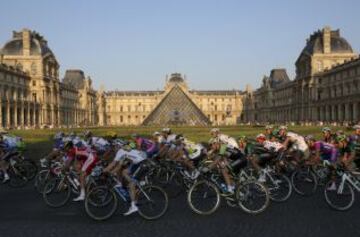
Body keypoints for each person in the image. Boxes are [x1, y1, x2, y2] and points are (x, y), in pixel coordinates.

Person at [104, 142, 147, 215]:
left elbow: (113, 164)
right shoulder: (123, 150)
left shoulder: (120, 151)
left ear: (118, 146)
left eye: (114, 147)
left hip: (142, 163)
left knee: (131, 184)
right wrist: (112, 172)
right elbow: (119, 166)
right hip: (139, 162)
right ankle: (135, 187)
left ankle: (134, 206)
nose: (113, 149)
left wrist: (105, 171)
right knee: (124, 172)